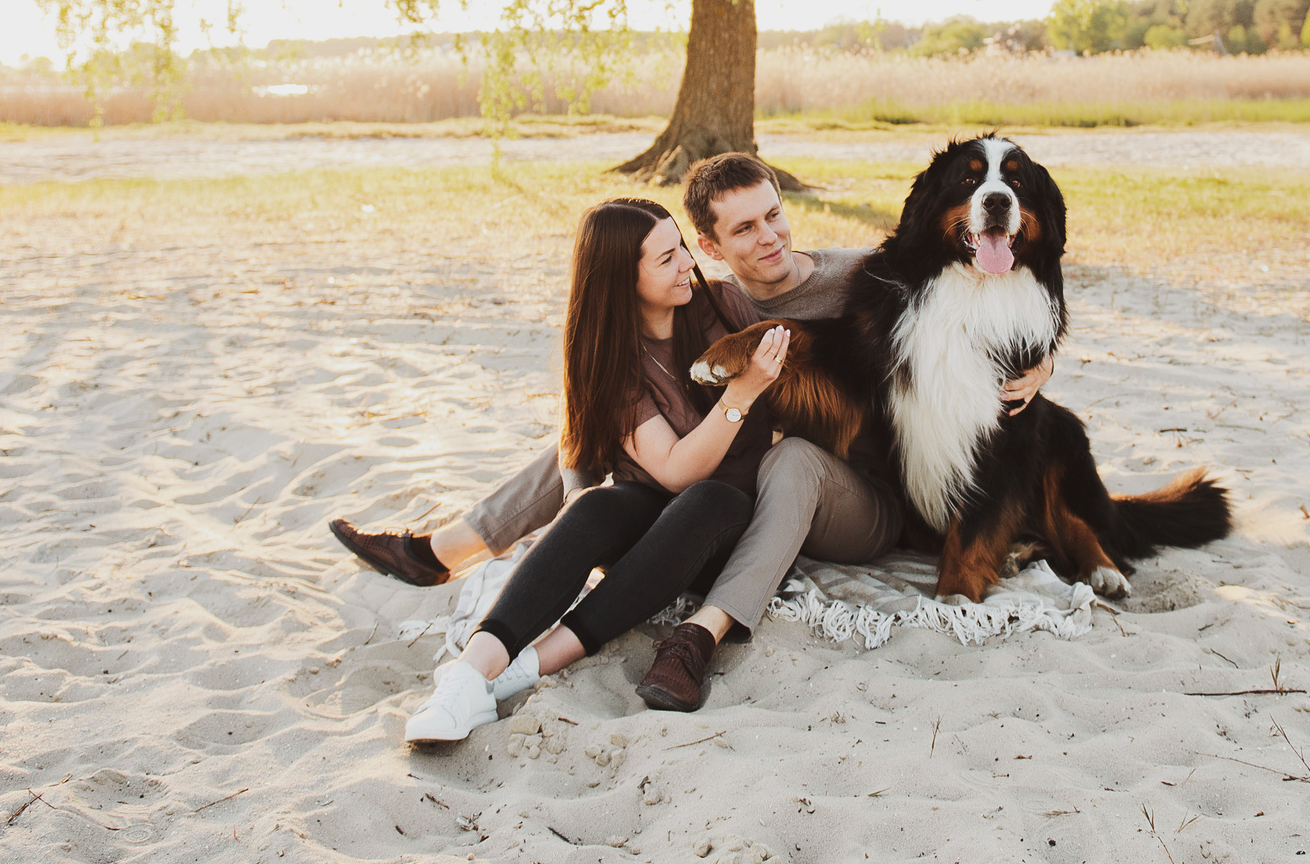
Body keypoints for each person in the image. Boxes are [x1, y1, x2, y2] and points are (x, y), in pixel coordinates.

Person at [335, 153, 1056, 711]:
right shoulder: (715, 300)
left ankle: (700, 636)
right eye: (743, 228)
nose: (769, 236)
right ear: (707, 246)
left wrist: (1046, 358)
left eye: (774, 214)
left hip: (865, 488)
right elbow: (620, 407)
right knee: (618, 426)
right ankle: (449, 547)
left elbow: (988, 293)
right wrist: (592, 496)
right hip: (761, 478)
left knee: (792, 458)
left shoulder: (861, 277)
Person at [398, 197, 789, 742]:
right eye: (665, 259)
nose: (686, 266)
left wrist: (746, 393)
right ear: (621, 281)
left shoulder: (721, 307)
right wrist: (739, 395)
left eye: (681, 249)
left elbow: (695, 482)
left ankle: (529, 668)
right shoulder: (613, 356)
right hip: (650, 523)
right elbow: (671, 471)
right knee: (600, 504)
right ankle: (466, 676)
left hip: (721, 525)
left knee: (706, 499)